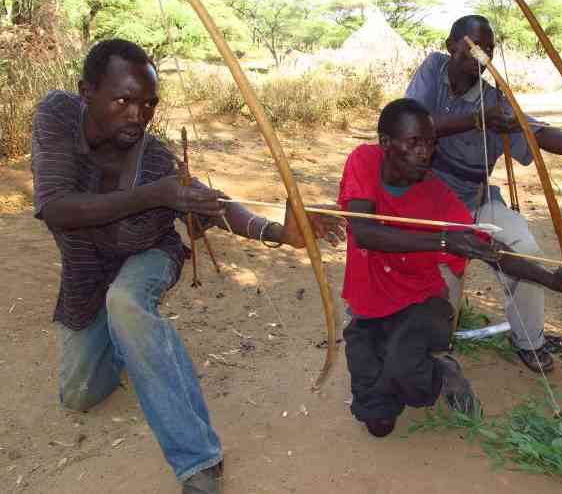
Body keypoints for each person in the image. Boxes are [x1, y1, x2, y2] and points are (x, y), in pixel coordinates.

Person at [30, 39, 342, 494]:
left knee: (126, 303)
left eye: (149, 104)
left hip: (148, 255)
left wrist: (277, 233)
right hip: (85, 271)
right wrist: (155, 195)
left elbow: (216, 206)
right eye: (123, 100)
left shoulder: (154, 158)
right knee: (78, 395)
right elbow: (55, 208)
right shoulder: (57, 115)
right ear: (86, 91)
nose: (137, 115)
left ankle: (200, 463)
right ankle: (130, 344)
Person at [338, 98, 562, 437]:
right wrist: (443, 241)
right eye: (413, 142)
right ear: (385, 143)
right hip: (369, 304)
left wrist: (551, 278)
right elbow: (365, 232)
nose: (424, 152)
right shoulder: (363, 160)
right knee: (379, 423)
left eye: (429, 143)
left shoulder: (438, 195)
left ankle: (441, 370)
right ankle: (409, 362)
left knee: (407, 373)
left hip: (420, 302)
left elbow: (489, 249)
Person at [405, 15, 562, 374]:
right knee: (440, 288)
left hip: (477, 197)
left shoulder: (495, 101)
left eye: (489, 48)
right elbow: (413, 126)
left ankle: (529, 339)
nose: (482, 54)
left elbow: (539, 132)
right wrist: (476, 120)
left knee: (526, 251)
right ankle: (433, 347)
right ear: (451, 45)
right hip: (428, 201)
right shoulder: (433, 70)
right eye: (472, 46)